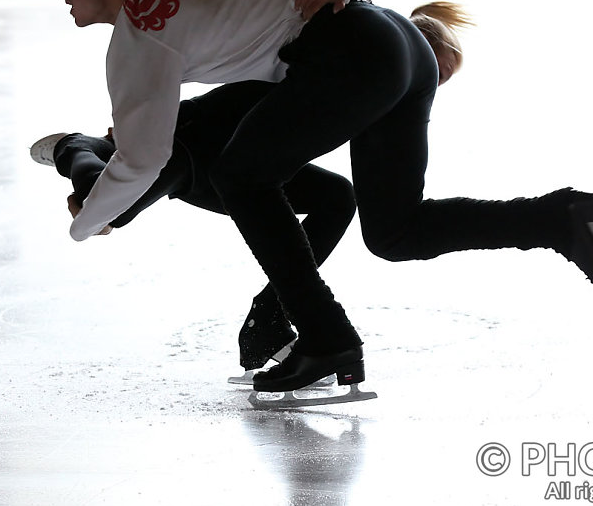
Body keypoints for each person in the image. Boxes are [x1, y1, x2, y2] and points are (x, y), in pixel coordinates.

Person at [32, 0, 593, 396]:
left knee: (241, 175)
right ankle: (562, 218)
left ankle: (326, 337)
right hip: (399, 43)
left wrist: (87, 224)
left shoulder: (141, 35)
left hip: (355, 53)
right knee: (397, 231)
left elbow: (143, 158)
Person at [30, 79, 356, 372]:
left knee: (336, 197)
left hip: (245, 159)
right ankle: (74, 146)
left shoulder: (383, 71)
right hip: (191, 141)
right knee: (110, 211)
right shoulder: (349, 57)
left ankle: (268, 317)